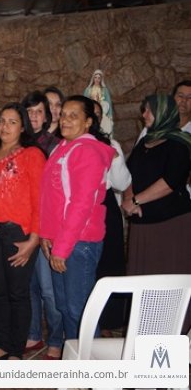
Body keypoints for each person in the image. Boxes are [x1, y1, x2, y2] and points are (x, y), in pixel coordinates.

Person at [0, 103, 45, 360]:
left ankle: (16, 350)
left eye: (13, 122)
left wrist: (34, 240)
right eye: (3, 121)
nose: (5, 126)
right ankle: (2, 344)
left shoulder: (32, 154)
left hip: (18, 235)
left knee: (18, 293)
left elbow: (40, 200)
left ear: (23, 127)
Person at [39, 95, 115, 341]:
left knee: (79, 310)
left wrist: (61, 248)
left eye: (74, 116)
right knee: (65, 307)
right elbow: (51, 199)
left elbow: (81, 205)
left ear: (88, 122)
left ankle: (88, 362)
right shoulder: (64, 147)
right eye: (63, 115)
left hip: (79, 242)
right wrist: (46, 235)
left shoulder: (88, 151)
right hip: (62, 240)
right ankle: (75, 357)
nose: (65, 120)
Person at [122, 93, 191, 278]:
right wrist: (129, 199)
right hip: (142, 220)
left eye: (149, 111)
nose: (144, 114)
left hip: (170, 222)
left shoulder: (179, 144)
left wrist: (136, 201)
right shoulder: (144, 142)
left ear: (163, 113)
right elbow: (128, 174)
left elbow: (170, 181)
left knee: (167, 276)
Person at [21, 91, 63, 358]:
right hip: (23, 225)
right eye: (29, 112)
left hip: (46, 225)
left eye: (39, 112)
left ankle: (56, 338)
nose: (34, 117)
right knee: (29, 287)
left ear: (46, 116)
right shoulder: (18, 144)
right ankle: (34, 333)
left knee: (49, 289)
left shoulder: (55, 145)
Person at [92, 100, 131, 335]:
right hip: (80, 208)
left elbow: (122, 183)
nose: (94, 119)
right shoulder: (68, 144)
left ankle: (108, 320)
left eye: (98, 114)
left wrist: (114, 159)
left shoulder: (110, 143)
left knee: (109, 264)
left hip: (106, 206)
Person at [22, 91, 59, 155]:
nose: (34, 115)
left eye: (39, 111)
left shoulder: (54, 144)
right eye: (29, 110)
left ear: (45, 118)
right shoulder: (15, 139)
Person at [84, 70, 113, 135]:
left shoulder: (104, 90)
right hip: (91, 110)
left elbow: (109, 103)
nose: (97, 79)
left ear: (101, 79)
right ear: (93, 78)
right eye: (95, 77)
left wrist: (110, 115)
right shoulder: (88, 90)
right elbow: (84, 102)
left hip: (103, 111)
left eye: (99, 78)